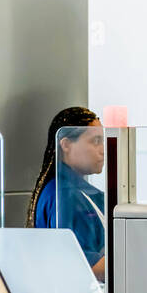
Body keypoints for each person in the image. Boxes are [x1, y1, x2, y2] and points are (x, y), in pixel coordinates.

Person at [27, 106, 107, 280]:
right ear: (66, 145)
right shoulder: (65, 196)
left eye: (103, 141)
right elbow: (83, 265)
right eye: (95, 141)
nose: (103, 149)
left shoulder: (81, 193)